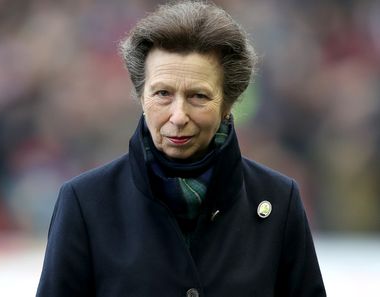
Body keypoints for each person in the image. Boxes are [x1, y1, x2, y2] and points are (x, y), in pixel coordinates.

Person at [36, 1, 326, 296]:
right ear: (141, 96)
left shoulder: (278, 201)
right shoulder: (85, 202)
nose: (178, 116)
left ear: (227, 104)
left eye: (198, 96)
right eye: (163, 93)